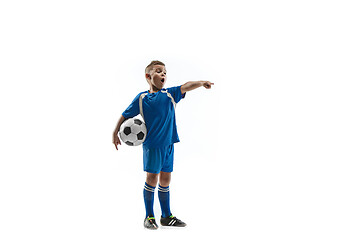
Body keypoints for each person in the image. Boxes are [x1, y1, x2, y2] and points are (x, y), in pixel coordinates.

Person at [112, 60, 214, 229]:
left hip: (169, 144)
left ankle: (166, 216)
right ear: (148, 76)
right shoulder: (142, 98)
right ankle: (149, 216)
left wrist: (201, 83)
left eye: (165, 72)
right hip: (152, 146)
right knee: (152, 179)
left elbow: (186, 86)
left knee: (166, 179)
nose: (163, 75)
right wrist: (115, 131)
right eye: (159, 71)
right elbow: (125, 115)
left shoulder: (170, 94)